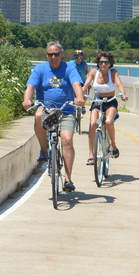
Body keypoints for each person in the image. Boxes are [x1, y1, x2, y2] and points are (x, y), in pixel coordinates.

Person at [23, 41, 86, 192]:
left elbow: (77, 84)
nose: (53, 57)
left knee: (67, 140)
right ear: (47, 55)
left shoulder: (69, 67)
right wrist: (27, 99)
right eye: (50, 54)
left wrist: (80, 97)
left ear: (61, 55)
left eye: (56, 54)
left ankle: (68, 179)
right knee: (38, 114)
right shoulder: (40, 69)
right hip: (47, 109)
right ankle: (44, 150)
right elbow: (30, 86)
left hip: (66, 110)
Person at [83, 51, 127, 165]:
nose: (103, 64)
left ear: (110, 63)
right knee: (93, 124)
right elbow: (86, 85)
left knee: (108, 122)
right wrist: (80, 95)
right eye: (101, 62)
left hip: (110, 101)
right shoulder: (94, 72)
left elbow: (120, 85)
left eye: (106, 62)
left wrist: (123, 94)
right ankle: (91, 154)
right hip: (97, 101)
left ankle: (113, 145)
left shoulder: (113, 72)